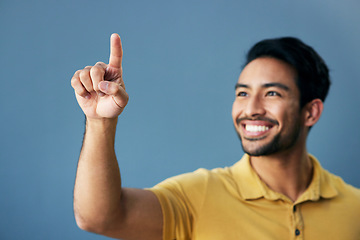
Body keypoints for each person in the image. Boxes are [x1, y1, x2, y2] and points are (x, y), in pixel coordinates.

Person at [71, 34, 360, 240]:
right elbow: (100, 218)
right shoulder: (197, 196)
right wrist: (100, 122)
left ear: (311, 112)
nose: (251, 109)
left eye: (272, 93)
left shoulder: (354, 208)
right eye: (243, 93)